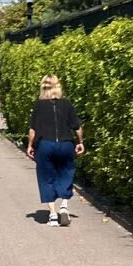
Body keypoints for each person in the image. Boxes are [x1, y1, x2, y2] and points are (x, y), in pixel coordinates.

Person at [26, 74, 85, 227]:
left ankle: (52, 215)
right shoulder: (66, 104)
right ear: (58, 87)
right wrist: (80, 142)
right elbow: (77, 127)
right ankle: (64, 205)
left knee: (46, 178)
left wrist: (30, 145)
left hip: (45, 144)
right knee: (66, 173)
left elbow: (33, 129)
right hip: (66, 144)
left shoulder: (39, 105)